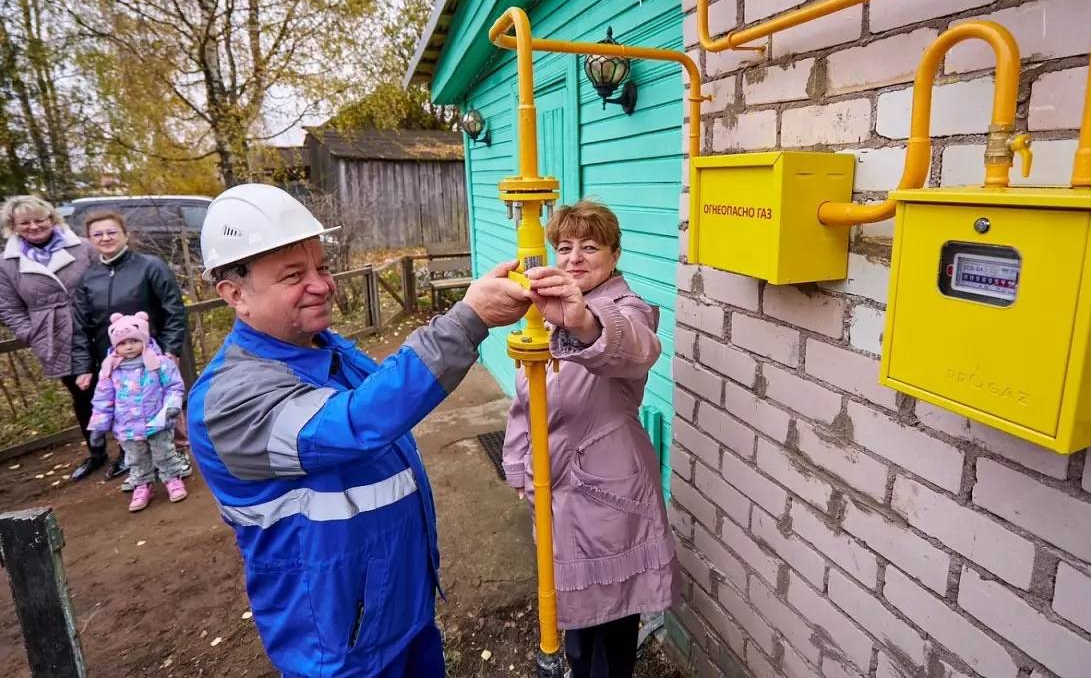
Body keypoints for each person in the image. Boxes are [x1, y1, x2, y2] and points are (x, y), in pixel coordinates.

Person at [187, 184, 530, 678]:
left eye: (322, 267)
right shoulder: (229, 401)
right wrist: (468, 320)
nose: (322, 285)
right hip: (339, 645)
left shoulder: (320, 345)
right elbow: (360, 420)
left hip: (399, 610)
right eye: (293, 275)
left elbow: (393, 383)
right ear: (235, 294)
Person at [502, 200, 681, 678]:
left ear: (614, 255)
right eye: (565, 247)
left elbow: (639, 347)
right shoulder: (542, 317)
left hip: (608, 495)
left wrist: (582, 321)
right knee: (574, 627)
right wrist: (521, 463)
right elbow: (527, 400)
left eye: (590, 246)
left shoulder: (625, 309)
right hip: (555, 491)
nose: (575, 257)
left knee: (613, 630)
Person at [72, 210, 188, 484]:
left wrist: (171, 348)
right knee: (127, 409)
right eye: (97, 234)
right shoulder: (89, 279)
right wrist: (83, 366)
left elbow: (174, 309)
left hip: (154, 354)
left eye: (111, 231)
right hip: (114, 359)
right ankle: (141, 466)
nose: (106, 238)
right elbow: (82, 325)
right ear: (90, 240)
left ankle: (178, 453)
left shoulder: (150, 266)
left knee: (165, 404)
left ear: (125, 234)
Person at [0, 195, 101, 480]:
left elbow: (106, 281)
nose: (34, 226)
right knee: (82, 396)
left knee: (117, 387)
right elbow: (8, 307)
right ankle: (97, 451)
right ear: (14, 226)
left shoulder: (83, 248)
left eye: (39, 220)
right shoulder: (7, 263)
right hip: (53, 334)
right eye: (25, 222)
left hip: (94, 327)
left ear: (52, 219)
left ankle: (131, 451)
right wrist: (31, 333)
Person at [87, 311, 188, 511]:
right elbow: (103, 399)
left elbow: (173, 387)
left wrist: (172, 406)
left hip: (156, 421)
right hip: (127, 426)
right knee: (136, 458)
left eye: (134, 340)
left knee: (164, 452)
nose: (129, 346)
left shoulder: (160, 363)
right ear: (115, 345)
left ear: (145, 338)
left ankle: (172, 479)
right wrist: (98, 426)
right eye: (123, 343)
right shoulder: (110, 369)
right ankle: (142, 485)